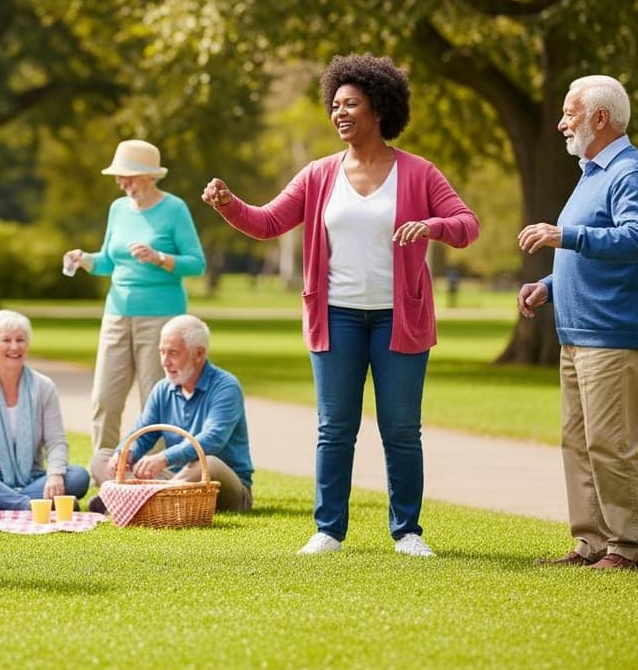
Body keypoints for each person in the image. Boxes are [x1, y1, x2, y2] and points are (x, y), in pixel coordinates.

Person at [202, 54, 479, 557]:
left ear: (380, 109)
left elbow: (468, 224)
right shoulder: (318, 175)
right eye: (334, 104)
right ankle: (328, 530)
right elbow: (266, 223)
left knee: (400, 428)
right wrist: (228, 204)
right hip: (336, 317)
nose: (340, 113)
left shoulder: (417, 173)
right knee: (335, 428)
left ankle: (407, 532)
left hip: (401, 320)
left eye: (351, 103)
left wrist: (433, 226)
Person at [518, 75, 638, 571]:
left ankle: (627, 547)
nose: (561, 123)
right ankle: (592, 542)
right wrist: (549, 287)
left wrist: (566, 235)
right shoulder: (591, 173)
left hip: (613, 334)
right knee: (578, 442)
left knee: (610, 443)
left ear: (600, 118)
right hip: (578, 332)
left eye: (570, 113)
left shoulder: (630, 172)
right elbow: (586, 251)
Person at [63, 139, 206, 455]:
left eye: (127, 175)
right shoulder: (117, 209)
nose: (120, 182)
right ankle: (106, 472)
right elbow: (108, 262)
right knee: (104, 398)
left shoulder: (174, 209)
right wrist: (86, 260)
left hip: (160, 318)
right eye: (118, 176)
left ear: (149, 176)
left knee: (154, 398)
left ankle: (155, 474)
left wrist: (159, 258)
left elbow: (197, 264)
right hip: (116, 315)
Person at [90, 315, 253, 512]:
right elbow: (143, 433)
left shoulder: (226, 387)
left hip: (220, 486)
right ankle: (153, 501)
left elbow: (213, 439)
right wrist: (124, 454)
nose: (165, 362)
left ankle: (131, 500)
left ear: (199, 354)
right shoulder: (163, 388)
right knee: (103, 458)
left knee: (207, 463)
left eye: (173, 353)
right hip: (175, 480)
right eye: (162, 352)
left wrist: (163, 458)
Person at [0, 310, 90, 511]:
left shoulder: (44, 387)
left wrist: (54, 475)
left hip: (33, 478)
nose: (14, 347)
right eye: (6, 340)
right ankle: (27, 505)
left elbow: (56, 442)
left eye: (20, 340)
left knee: (78, 476)